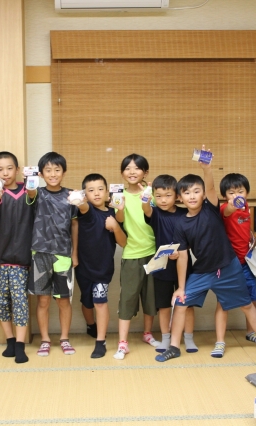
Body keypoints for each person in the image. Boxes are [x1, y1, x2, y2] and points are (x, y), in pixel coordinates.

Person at [155, 147, 256, 362]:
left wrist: (207, 169)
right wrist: (181, 287)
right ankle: (174, 347)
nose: (192, 196)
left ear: (203, 194)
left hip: (228, 267)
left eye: (196, 191)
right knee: (181, 303)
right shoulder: (181, 224)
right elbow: (183, 256)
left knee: (246, 304)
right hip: (203, 271)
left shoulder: (210, 209)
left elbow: (210, 185)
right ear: (180, 198)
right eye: (187, 193)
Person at [0, 151, 34, 363]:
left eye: (9, 168)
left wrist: (33, 187)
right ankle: (10, 340)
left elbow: (37, 209)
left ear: (17, 170)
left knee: (20, 302)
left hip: (21, 259)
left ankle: (20, 345)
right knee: (0, 302)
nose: (5, 173)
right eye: (0, 169)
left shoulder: (29, 191)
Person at [26, 152, 78, 356]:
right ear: (41, 173)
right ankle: (45, 340)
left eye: (57, 170)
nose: (53, 174)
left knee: (63, 300)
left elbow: (75, 225)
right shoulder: (36, 193)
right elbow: (30, 193)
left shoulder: (71, 196)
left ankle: (64, 338)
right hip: (40, 253)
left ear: (64, 172)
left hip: (63, 254)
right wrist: (30, 178)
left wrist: (75, 253)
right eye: (48, 170)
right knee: (43, 301)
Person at [140, 175, 197, 354]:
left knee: (186, 304)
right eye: (159, 196)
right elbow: (146, 209)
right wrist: (146, 198)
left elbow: (192, 238)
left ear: (177, 196)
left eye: (168, 195)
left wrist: (181, 251)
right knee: (164, 305)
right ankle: (166, 338)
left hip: (184, 264)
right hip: (162, 266)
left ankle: (188, 338)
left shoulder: (185, 213)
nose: (163, 200)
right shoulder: (155, 213)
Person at [74, 173, 127, 358]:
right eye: (91, 190)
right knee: (87, 302)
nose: (96, 193)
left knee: (100, 302)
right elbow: (82, 207)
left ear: (107, 192)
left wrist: (116, 225)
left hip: (103, 269)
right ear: (85, 194)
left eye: (100, 189)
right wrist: (78, 200)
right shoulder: (86, 211)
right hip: (83, 267)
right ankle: (91, 325)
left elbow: (123, 242)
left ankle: (100, 341)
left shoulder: (113, 213)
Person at [114, 154, 160, 360]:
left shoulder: (152, 193)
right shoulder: (119, 194)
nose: (132, 172)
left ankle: (147, 334)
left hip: (153, 252)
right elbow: (119, 220)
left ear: (145, 172)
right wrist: (120, 208)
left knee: (151, 298)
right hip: (131, 254)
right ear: (122, 173)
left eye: (137, 168)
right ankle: (122, 342)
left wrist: (149, 199)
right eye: (127, 168)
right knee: (127, 298)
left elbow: (156, 217)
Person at [219, 173, 256, 350]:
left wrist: (251, 236)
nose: (236, 196)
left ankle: (251, 331)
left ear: (247, 192)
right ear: (225, 195)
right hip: (230, 263)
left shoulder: (247, 207)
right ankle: (220, 339)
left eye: (240, 192)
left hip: (247, 261)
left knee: (252, 297)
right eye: (231, 193)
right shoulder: (225, 208)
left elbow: (243, 227)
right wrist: (232, 205)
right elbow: (228, 212)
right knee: (223, 301)